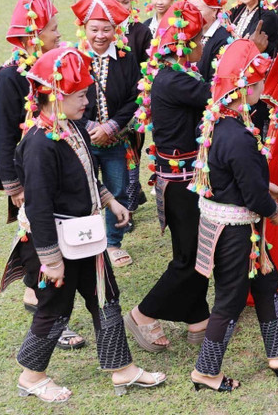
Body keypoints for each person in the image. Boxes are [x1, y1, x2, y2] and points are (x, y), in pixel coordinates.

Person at [14, 47, 165, 404]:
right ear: (56, 95)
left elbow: (84, 174)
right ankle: (31, 376)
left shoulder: (71, 126)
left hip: (85, 236)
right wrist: (51, 261)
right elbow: (38, 207)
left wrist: (110, 201)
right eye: (80, 95)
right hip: (53, 244)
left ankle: (122, 368)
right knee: (55, 308)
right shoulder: (38, 144)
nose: (87, 102)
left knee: (106, 297)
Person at [188, 39, 278, 391]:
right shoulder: (240, 137)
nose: (264, 87)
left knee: (266, 282)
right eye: (259, 82)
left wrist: (266, 186)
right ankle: (206, 370)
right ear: (246, 88)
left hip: (230, 222)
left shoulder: (220, 121)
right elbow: (251, 194)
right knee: (229, 299)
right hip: (237, 231)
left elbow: (240, 178)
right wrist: (273, 209)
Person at [0, 0, 85, 352]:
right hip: (27, 172)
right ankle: (46, 310)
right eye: (53, 29)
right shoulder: (9, 76)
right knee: (38, 241)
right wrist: (15, 186)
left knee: (42, 238)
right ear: (33, 35)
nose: (59, 35)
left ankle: (37, 298)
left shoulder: (48, 69)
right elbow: (2, 134)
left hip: (48, 167)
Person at [128, 2, 211, 353]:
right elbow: (220, 97)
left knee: (192, 251)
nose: (204, 45)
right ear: (188, 43)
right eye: (201, 38)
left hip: (179, 177)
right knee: (190, 257)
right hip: (182, 182)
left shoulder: (170, 73)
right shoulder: (177, 79)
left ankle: (198, 318)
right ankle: (143, 314)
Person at [70, 0, 140, 269]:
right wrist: (89, 127)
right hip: (82, 140)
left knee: (117, 190)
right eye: (94, 29)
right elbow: (66, 97)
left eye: (106, 29)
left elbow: (136, 97)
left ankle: (112, 242)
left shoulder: (126, 58)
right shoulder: (73, 57)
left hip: (116, 141)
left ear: (116, 30)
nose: (100, 35)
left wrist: (112, 126)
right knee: (81, 192)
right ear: (84, 29)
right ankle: (84, 242)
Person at [182, 0, 233, 84]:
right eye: (189, 8)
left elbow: (215, 82)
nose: (192, 14)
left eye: (198, 10)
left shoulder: (223, 39)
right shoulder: (185, 33)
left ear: (214, 11)